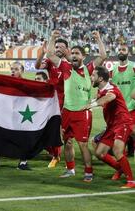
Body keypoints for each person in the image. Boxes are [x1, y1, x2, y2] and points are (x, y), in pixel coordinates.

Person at [46, 30, 107, 182]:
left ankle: (88, 171)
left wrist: (98, 39)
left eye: (77, 53)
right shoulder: (65, 68)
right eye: (72, 53)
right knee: (67, 142)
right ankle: (70, 169)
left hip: (82, 113)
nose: (73, 55)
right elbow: (50, 55)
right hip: (67, 111)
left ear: (83, 57)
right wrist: (52, 38)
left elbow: (103, 56)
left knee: (83, 144)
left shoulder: (89, 69)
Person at [83, 66, 135, 188]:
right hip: (112, 126)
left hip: (123, 123)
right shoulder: (100, 90)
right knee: (99, 152)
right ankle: (121, 168)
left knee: (117, 150)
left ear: (100, 78)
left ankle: (131, 181)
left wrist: (93, 104)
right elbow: (101, 97)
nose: (91, 78)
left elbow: (109, 97)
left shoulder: (111, 89)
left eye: (93, 75)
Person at [0, 61, 32, 170]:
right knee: (0, 137)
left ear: (22, 71)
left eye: (16, 69)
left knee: (22, 138)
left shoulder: (27, 84)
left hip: (21, 116)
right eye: (12, 69)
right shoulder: (6, 82)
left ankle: (23, 162)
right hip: (6, 114)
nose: (13, 71)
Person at [36, 40, 66, 168]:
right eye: (56, 46)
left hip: (66, 100)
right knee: (50, 126)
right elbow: (37, 67)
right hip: (51, 99)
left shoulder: (69, 64)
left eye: (61, 47)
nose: (57, 49)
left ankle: (67, 159)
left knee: (63, 130)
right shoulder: (49, 62)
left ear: (66, 49)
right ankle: (55, 155)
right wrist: (41, 54)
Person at [110, 44, 135, 157]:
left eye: (123, 50)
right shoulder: (114, 69)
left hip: (132, 106)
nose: (121, 51)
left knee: (132, 130)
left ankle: (131, 150)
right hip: (119, 108)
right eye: (119, 49)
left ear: (128, 53)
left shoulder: (133, 67)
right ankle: (128, 151)